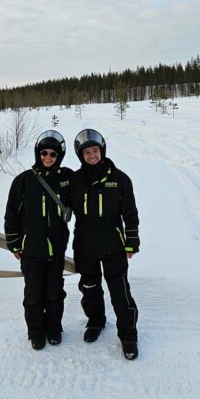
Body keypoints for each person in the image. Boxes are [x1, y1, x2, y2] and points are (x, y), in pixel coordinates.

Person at [70, 128, 141, 360]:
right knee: (89, 289)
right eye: (87, 152)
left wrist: (131, 242)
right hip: (85, 246)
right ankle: (96, 321)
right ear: (80, 155)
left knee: (120, 292)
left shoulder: (119, 180)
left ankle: (128, 334)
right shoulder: (75, 180)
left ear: (102, 151)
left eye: (95, 150)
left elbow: (130, 214)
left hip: (114, 246)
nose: (92, 155)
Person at [4, 129, 73, 351]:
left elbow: (86, 195)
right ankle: (35, 331)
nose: (48, 158)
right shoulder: (23, 181)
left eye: (53, 154)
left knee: (55, 293)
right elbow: (11, 213)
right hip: (31, 250)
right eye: (44, 153)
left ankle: (53, 328)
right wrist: (14, 243)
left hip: (56, 250)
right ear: (38, 153)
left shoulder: (66, 178)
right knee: (33, 295)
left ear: (59, 156)